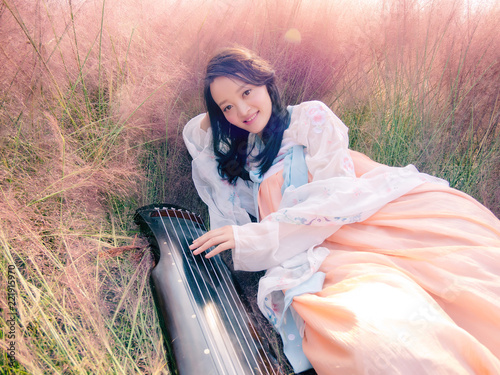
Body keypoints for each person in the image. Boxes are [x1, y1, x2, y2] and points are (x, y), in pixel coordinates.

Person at [182, 46, 500, 374]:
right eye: (228, 107)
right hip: (308, 245)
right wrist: (218, 107)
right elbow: (196, 135)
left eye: (247, 91)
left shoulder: (308, 117)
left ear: (265, 81)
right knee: (371, 335)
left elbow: (336, 195)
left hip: (359, 217)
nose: (243, 110)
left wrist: (252, 236)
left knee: (465, 281)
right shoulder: (248, 155)